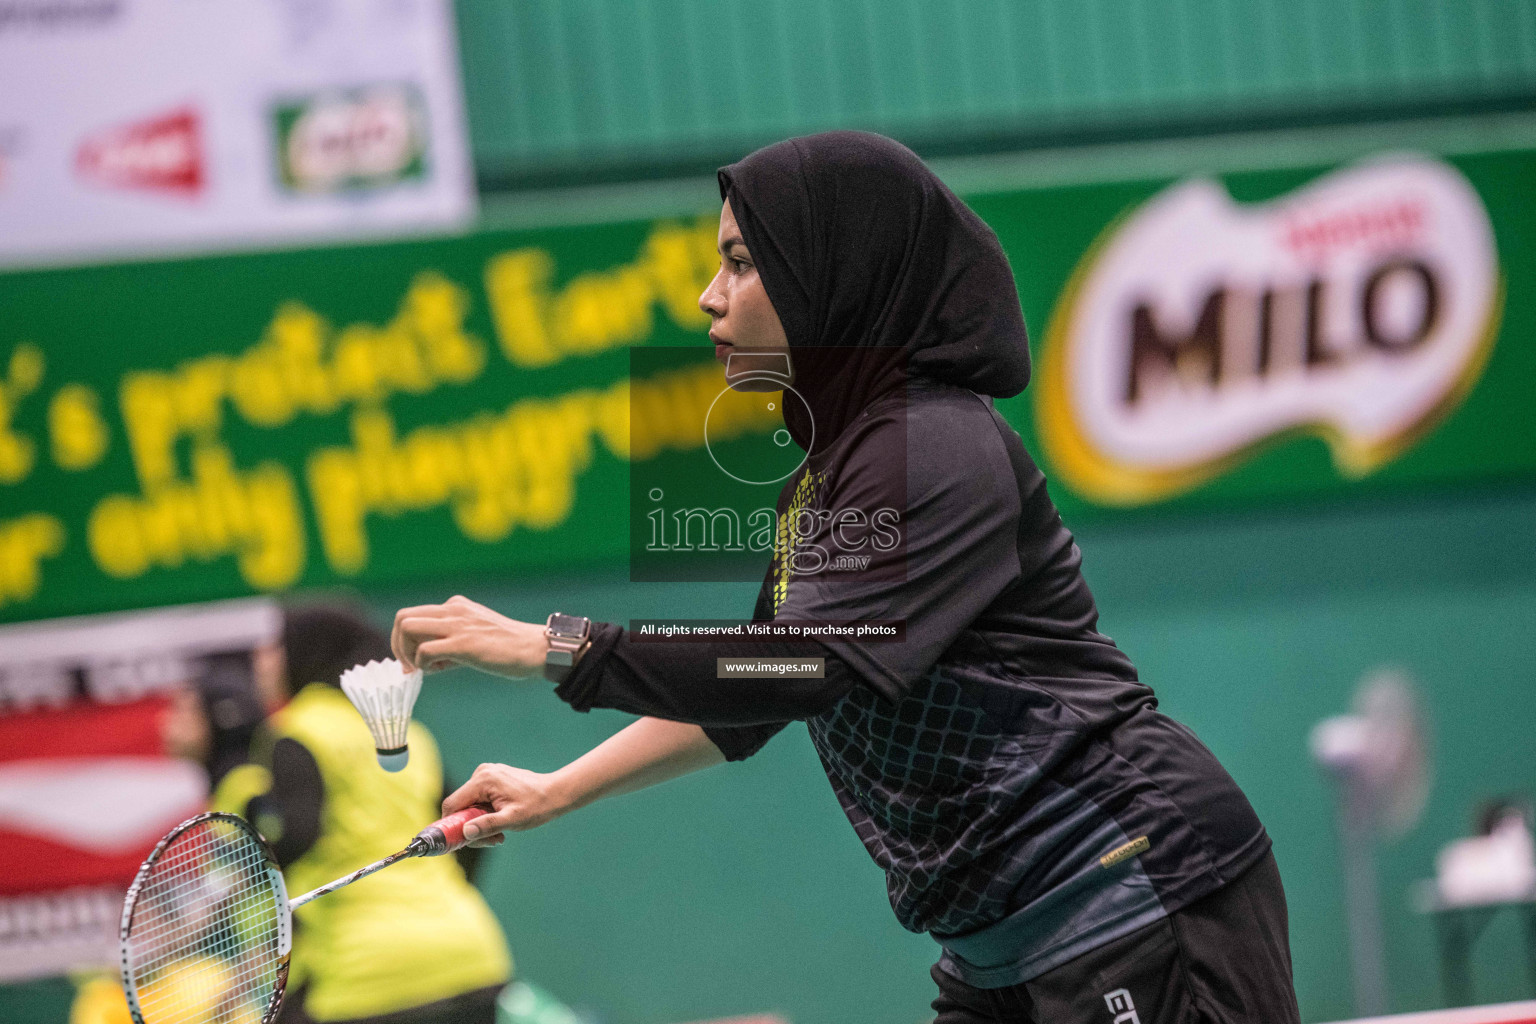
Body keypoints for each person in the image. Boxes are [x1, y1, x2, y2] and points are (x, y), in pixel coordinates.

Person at [392, 131, 1302, 1024]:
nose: (710, 299)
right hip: (999, 947)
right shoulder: (831, 478)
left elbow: (802, 664)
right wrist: (559, 788)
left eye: (743, 263)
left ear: (834, 275)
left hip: (1126, 889)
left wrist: (550, 647)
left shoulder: (936, 444)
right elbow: (750, 695)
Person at [213, 604, 513, 1024]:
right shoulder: (410, 735)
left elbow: (297, 834)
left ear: (304, 652)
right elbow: (472, 837)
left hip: (367, 977)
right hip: (468, 955)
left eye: (275, 645)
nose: (262, 658)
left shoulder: (300, 729)